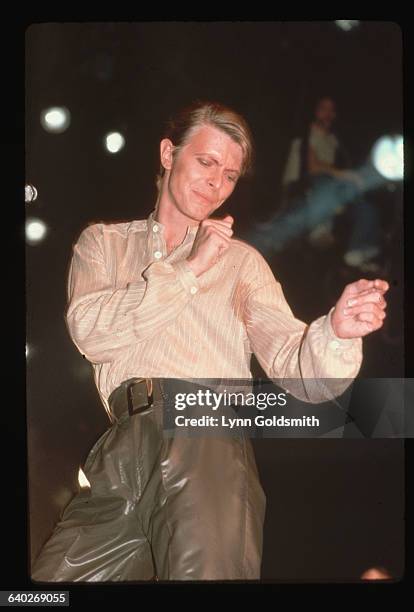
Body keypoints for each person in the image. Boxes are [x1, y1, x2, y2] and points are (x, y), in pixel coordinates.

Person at [31, 101, 388, 582]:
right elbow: (91, 333)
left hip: (205, 429)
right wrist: (190, 269)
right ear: (167, 153)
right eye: (206, 162)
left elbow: (295, 364)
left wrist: (336, 332)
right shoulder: (104, 244)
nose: (217, 182)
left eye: (231, 174)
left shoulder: (241, 262)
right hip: (119, 445)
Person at [251, 96, 382, 269]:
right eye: (323, 108)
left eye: (331, 110)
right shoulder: (306, 131)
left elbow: (341, 165)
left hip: (328, 189)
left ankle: (359, 249)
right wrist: (344, 175)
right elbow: (313, 167)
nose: (327, 113)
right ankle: (320, 230)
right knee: (326, 182)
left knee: (364, 205)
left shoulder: (333, 140)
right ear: (315, 111)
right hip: (302, 184)